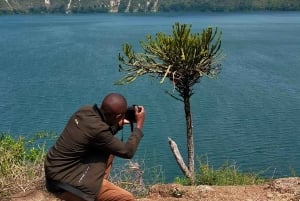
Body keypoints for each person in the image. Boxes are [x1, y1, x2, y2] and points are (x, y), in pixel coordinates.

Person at [44, 93, 145, 201]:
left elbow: (99, 134)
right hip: (64, 182)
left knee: (110, 150)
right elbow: (127, 151)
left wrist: (118, 125)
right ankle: (90, 193)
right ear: (117, 116)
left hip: (54, 171)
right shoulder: (98, 131)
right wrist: (139, 125)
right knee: (126, 198)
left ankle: (99, 186)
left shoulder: (85, 111)